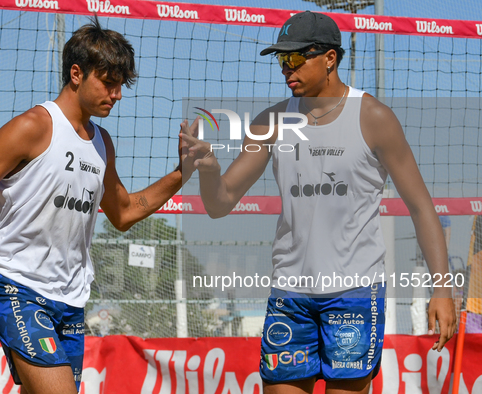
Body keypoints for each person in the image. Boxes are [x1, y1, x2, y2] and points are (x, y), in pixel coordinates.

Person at [182, 11, 456, 394]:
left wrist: (441, 290)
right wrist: (208, 169)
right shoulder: (270, 122)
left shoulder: (373, 117)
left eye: (295, 58)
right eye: (281, 59)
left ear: (330, 58)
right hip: (290, 295)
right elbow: (220, 203)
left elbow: (421, 207)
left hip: (355, 293)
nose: (285, 68)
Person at [0, 18, 194, 394]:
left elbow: (123, 212)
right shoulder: (32, 127)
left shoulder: (102, 142)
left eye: (121, 85)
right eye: (109, 82)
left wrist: (180, 174)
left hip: (69, 298)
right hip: (15, 285)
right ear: (76, 73)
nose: (117, 94)